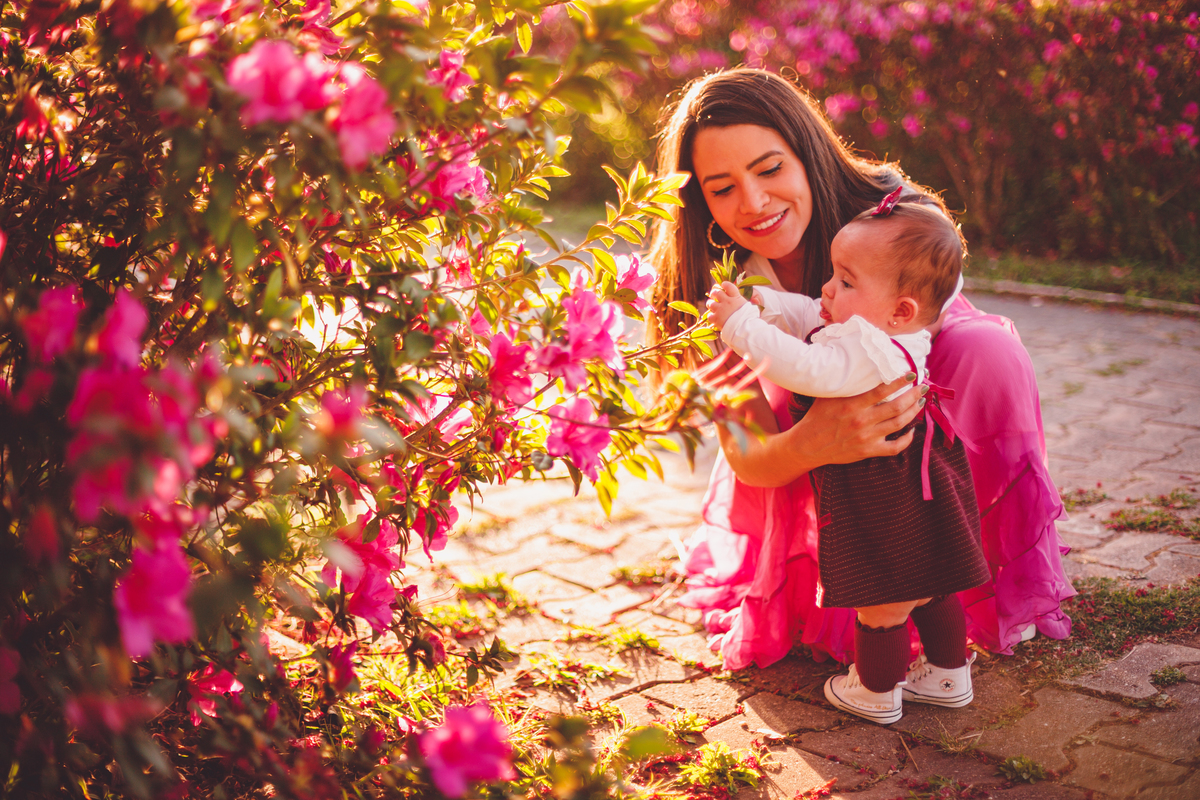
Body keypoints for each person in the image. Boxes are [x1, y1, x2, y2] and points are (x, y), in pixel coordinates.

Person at [646, 67, 1074, 674]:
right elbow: (747, 452)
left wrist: (893, 400)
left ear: (807, 152)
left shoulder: (887, 227)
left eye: (769, 170)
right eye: (723, 188)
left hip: (917, 439)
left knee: (986, 349)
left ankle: (976, 572)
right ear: (701, 202)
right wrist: (819, 438)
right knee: (777, 369)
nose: (754, 203)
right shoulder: (713, 292)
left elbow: (943, 346)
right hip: (799, 456)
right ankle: (853, 594)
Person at [705, 197, 989, 724]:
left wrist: (740, 326)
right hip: (918, 482)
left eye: (845, 281)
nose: (828, 289)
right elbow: (808, 314)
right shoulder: (877, 328)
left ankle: (876, 690)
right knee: (932, 581)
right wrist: (760, 302)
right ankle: (950, 674)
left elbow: (807, 366)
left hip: (883, 496)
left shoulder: (872, 352)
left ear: (900, 310)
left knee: (882, 597)